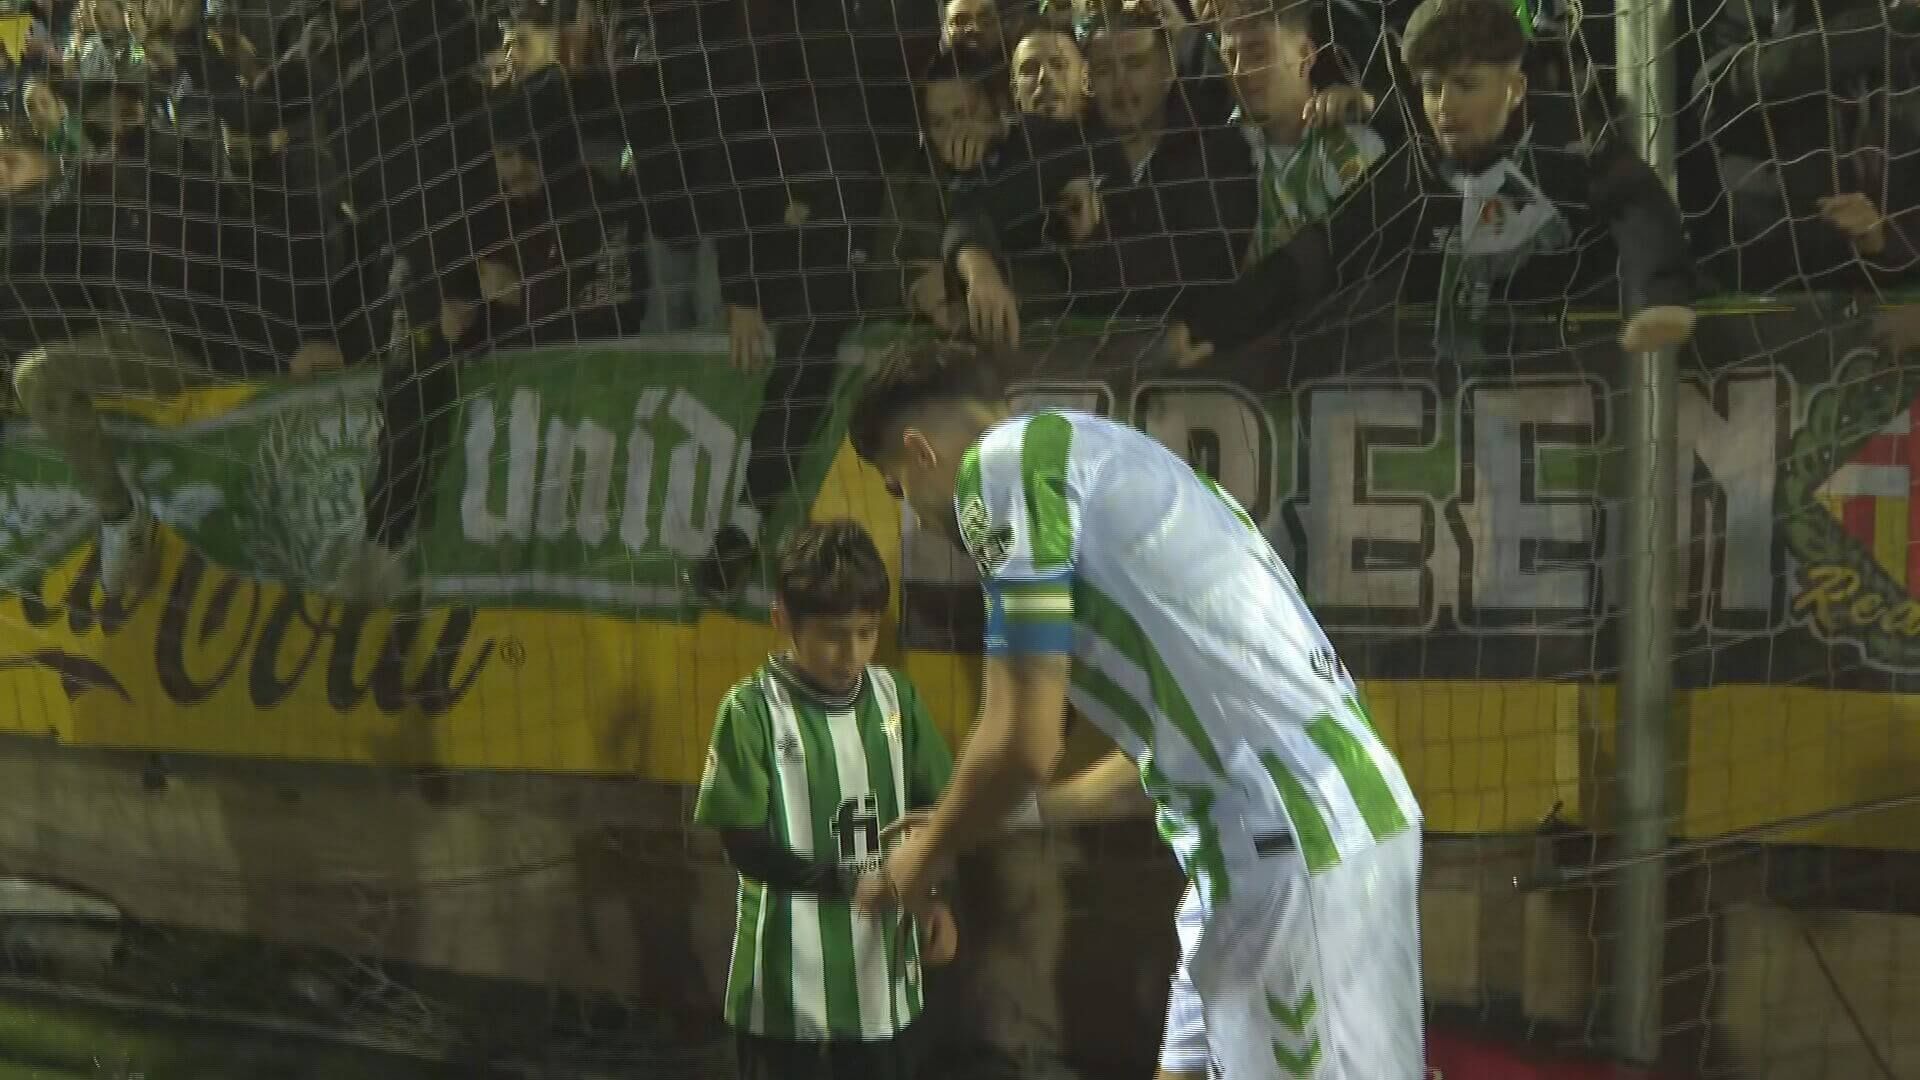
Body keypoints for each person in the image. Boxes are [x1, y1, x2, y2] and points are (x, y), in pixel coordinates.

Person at [845, 341, 1425, 1080]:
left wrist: (920, 861)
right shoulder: (1109, 457)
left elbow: (1022, 741)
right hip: (1264, 845)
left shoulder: (1001, 468)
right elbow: (1178, 743)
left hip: (1296, 851)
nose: (921, 521)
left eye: (898, 489)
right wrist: (1021, 816)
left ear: (919, 451)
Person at [694, 519, 958, 1080]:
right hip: (783, 986)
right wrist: (842, 882)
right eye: (834, 635)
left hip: (880, 975)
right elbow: (744, 846)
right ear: (782, 620)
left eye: (866, 633)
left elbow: (940, 814)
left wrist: (934, 895)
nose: (853, 653)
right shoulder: (750, 711)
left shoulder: (897, 698)